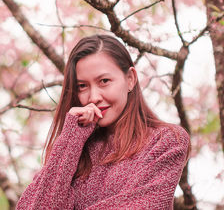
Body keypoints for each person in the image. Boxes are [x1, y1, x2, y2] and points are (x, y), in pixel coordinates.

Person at [16, 34, 190, 210]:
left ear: (130, 79)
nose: (93, 97)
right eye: (82, 86)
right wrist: (71, 137)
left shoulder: (165, 140)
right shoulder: (72, 149)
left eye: (104, 81)